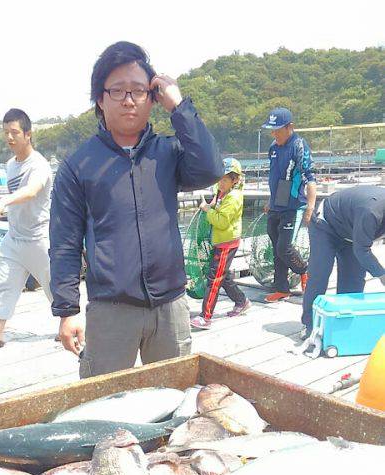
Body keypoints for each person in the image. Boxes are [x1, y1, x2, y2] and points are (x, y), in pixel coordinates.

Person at [49, 41, 223, 377]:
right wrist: (67, 310)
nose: (129, 99)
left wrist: (179, 105)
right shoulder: (78, 165)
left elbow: (210, 169)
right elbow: (65, 243)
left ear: (152, 98)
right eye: (118, 91)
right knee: (102, 404)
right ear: (100, 99)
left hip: (170, 306)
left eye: (139, 90)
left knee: (175, 395)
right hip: (111, 308)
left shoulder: (168, 152)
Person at [0, 109, 53, 347]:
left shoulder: (39, 165)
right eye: (6, 132)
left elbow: (31, 191)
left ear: (28, 134)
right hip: (15, 237)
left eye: (14, 132)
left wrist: (2, 202)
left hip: (39, 237)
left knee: (54, 286)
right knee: (5, 283)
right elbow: (17, 198)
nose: (10, 138)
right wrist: (2, 209)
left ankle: (67, 324)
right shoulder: (10, 165)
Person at [302, 185, 385, 337]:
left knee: (354, 279)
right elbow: (362, 251)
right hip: (325, 224)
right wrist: (381, 274)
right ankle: (310, 324)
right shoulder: (371, 212)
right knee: (320, 274)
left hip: (351, 231)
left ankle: (345, 323)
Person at [261, 107, 317, 303]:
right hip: (276, 203)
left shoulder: (299, 145)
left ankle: (305, 272)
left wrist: (310, 207)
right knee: (276, 247)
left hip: (292, 204)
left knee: (284, 247)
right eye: (272, 130)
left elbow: (309, 177)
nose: (274, 133)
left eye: (277, 129)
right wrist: (270, 200)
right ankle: (282, 288)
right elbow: (274, 176)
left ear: (289, 127)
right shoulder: (273, 148)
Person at [190, 157, 250, 329]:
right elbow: (216, 209)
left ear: (235, 179)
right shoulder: (221, 192)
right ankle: (242, 301)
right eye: (219, 179)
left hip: (226, 243)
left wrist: (208, 210)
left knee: (214, 279)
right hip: (220, 241)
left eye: (225, 179)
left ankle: (205, 316)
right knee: (222, 276)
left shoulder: (234, 197)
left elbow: (222, 222)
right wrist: (211, 206)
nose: (221, 183)